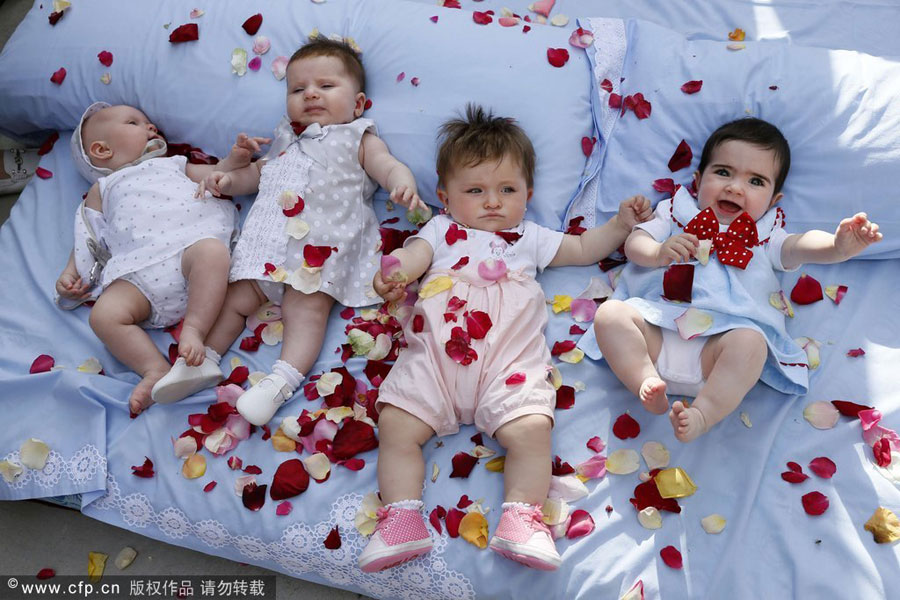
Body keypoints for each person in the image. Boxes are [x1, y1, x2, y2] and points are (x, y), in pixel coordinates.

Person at [357, 104, 652, 573]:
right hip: (433, 364)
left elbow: (581, 249)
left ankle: (522, 519)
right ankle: (400, 520)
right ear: (445, 197)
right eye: (475, 190)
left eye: (507, 190)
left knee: (532, 430)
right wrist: (391, 276)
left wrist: (619, 226)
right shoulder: (441, 230)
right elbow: (412, 259)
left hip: (507, 367)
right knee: (396, 426)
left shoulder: (530, 238)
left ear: (527, 195)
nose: (492, 202)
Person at [151, 37, 426, 426]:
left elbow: (387, 165)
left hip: (319, 250)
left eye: (326, 86)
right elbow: (258, 174)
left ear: (358, 104)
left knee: (306, 309)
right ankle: (204, 360)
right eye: (298, 89)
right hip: (267, 246)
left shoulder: (358, 137)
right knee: (234, 298)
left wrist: (402, 182)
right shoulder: (284, 138)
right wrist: (228, 181)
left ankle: (281, 381)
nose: (310, 94)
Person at [592, 117, 882, 443]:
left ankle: (703, 414)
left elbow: (800, 245)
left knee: (751, 343)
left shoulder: (766, 235)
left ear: (773, 201)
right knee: (610, 315)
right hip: (654, 333)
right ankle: (645, 381)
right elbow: (635, 243)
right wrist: (658, 251)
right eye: (723, 172)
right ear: (698, 181)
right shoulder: (675, 213)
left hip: (717, 354)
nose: (735, 187)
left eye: (755, 181)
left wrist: (837, 246)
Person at [56, 102, 264, 415]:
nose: (151, 126)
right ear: (102, 150)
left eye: (149, 123)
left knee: (213, 252)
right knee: (103, 316)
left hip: (188, 252)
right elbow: (88, 234)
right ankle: (153, 369)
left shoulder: (173, 165)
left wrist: (236, 158)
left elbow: (217, 174)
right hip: (139, 271)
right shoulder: (104, 188)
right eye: (134, 123)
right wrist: (71, 273)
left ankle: (194, 330)